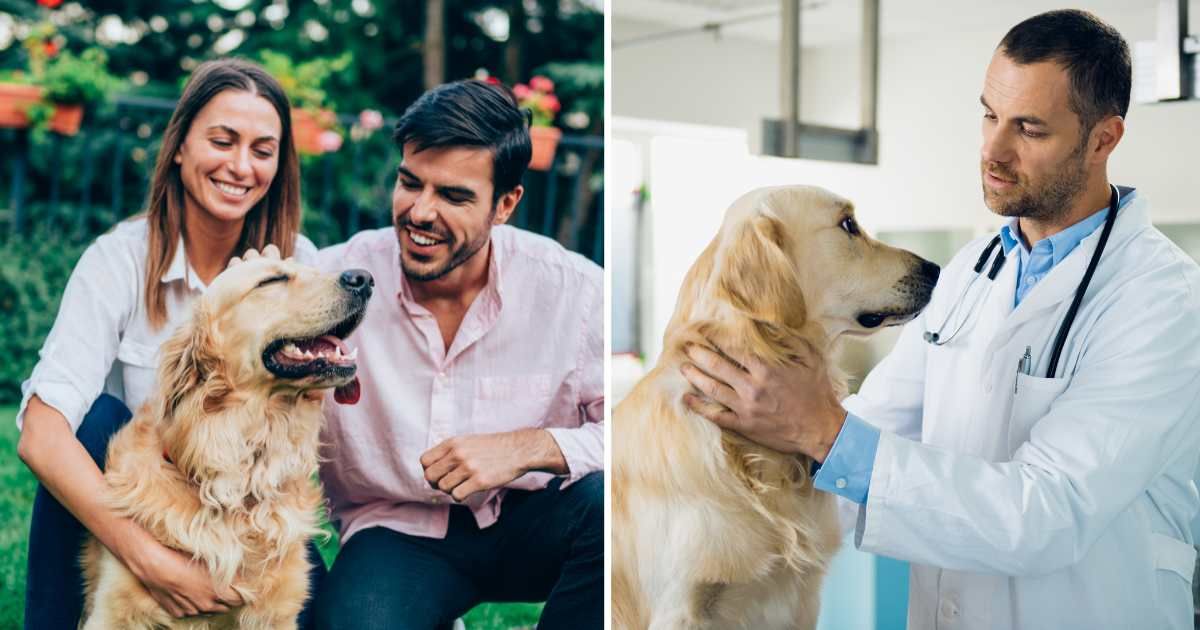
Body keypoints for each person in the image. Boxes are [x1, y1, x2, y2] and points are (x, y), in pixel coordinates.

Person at [680, 10, 1200, 630]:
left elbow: (1047, 513)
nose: (994, 151)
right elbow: (880, 422)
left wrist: (819, 430)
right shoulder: (969, 273)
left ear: (1102, 139)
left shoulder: (1162, 300)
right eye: (989, 115)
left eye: (1028, 129)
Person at [16, 58, 325, 629]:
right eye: (222, 140)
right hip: (143, 505)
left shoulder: (299, 265)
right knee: (94, 422)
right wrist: (149, 559)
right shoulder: (120, 261)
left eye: (263, 149)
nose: (240, 165)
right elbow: (41, 433)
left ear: (279, 165)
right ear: (179, 145)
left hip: (253, 514)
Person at [310, 79, 603, 630]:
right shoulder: (333, 281)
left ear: (506, 205)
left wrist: (530, 447)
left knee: (609, 505)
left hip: (535, 520)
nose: (420, 212)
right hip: (397, 533)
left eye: (454, 195)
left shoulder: (576, 292)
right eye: (409, 183)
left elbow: (634, 432)